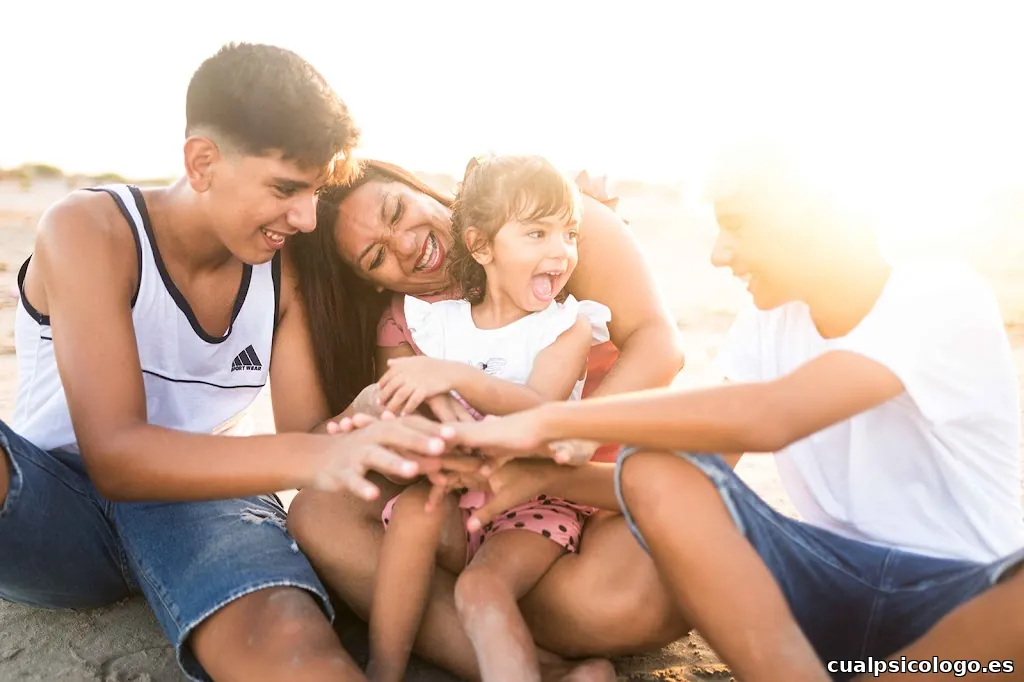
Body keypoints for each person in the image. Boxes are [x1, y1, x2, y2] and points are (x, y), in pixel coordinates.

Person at [446, 140, 1024, 681]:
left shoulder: (938, 295)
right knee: (658, 469)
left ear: (815, 217)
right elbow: (698, 471)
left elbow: (771, 416)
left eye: (738, 227)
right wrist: (541, 475)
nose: (720, 254)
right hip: (823, 593)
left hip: (969, 596)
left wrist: (550, 421)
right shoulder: (765, 328)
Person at [0, 43, 466, 682]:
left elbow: (305, 438)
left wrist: (356, 418)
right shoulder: (90, 228)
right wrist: (319, 455)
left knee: (294, 651)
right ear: (202, 162)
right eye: (286, 188)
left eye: (314, 191)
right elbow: (115, 457)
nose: (306, 217)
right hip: (51, 508)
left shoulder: (283, 272)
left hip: (204, 504)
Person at [285, 156, 689, 680]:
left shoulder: (554, 227)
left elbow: (660, 345)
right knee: (324, 514)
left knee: (620, 602)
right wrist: (392, 420)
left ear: (421, 186)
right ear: (370, 280)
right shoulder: (415, 322)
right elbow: (336, 444)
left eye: (397, 210)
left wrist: (572, 441)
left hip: (593, 482)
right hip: (485, 505)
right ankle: (526, 663)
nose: (407, 245)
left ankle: (494, 619)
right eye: (377, 255)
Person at [364, 155, 614, 682]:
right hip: (460, 490)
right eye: (536, 233)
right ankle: (382, 670)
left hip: (536, 495)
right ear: (480, 246)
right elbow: (413, 403)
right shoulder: (438, 324)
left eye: (568, 234)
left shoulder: (566, 328)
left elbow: (542, 412)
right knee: (412, 512)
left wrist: (458, 378)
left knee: (480, 587)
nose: (559, 252)